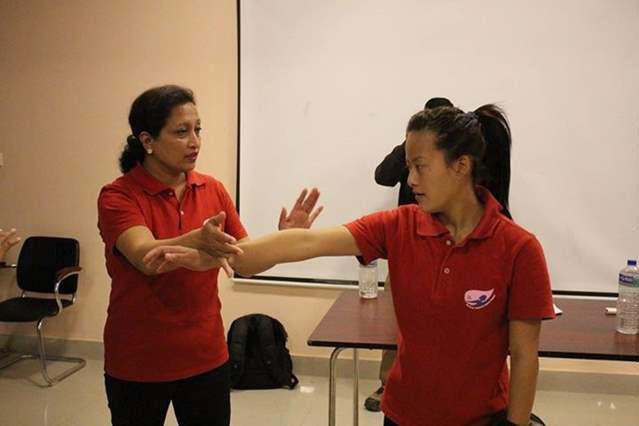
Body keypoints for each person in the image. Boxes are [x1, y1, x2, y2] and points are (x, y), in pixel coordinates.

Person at [145, 104, 554, 425]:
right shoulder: (400, 226)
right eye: (408, 165)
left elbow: (524, 355)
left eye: (419, 165)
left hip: (479, 420)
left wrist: (515, 425)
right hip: (404, 415)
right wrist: (212, 253)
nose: (409, 179)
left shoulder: (518, 248)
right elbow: (305, 243)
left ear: (460, 165)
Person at [97, 84, 322, 426]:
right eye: (181, 132)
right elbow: (146, 256)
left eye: (198, 130)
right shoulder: (118, 196)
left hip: (206, 356)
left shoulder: (211, 188)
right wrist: (197, 240)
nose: (195, 141)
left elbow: (242, 260)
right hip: (138, 360)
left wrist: (286, 239)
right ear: (147, 141)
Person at [365, 96, 455, 413]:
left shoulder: (454, 158)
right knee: (395, 318)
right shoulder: (409, 153)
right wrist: (408, 147)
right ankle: (387, 381)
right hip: (410, 245)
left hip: (451, 248)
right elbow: (382, 175)